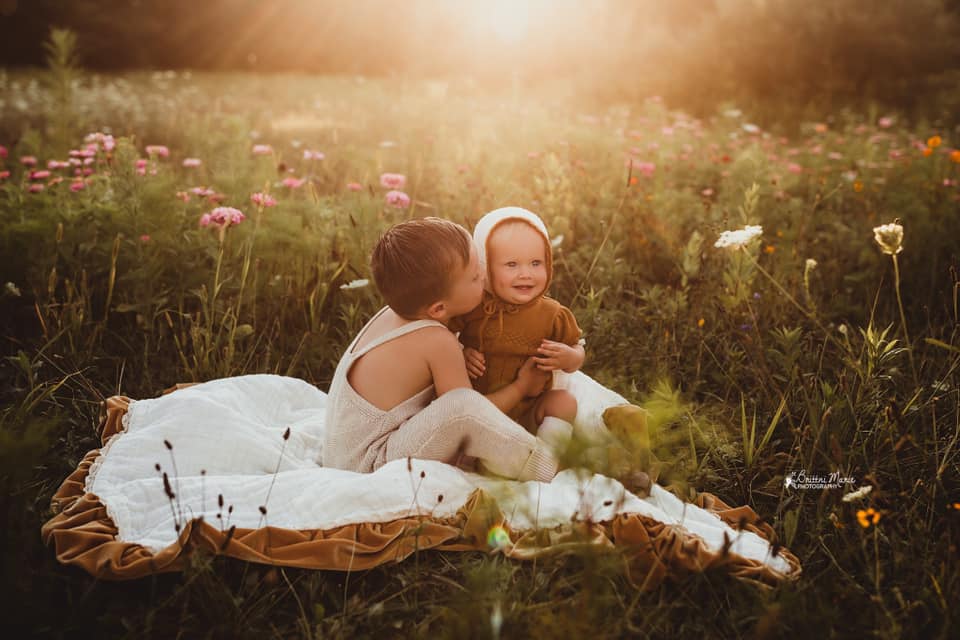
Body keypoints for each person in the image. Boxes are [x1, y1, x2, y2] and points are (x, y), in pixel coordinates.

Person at [323, 216, 559, 482]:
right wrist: (521, 387)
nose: (483, 274)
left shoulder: (394, 313)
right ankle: (543, 468)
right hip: (372, 466)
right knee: (462, 405)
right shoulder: (437, 341)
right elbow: (471, 418)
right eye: (473, 277)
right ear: (438, 309)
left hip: (343, 454)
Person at [453, 207, 584, 457]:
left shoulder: (552, 313)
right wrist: (462, 352)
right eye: (511, 264)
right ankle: (481, 456)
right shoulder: (473, 305)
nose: (526, 274)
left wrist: (571, 357)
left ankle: (547, 457)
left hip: (529, 411)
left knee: (563, 402)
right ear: (484, 267)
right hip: (485, 407)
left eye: (536, 263)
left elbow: (578, 347)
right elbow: (444, 337)